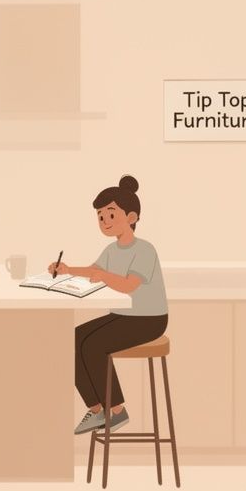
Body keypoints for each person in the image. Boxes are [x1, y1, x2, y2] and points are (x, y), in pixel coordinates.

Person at [47, 175, 169, 435]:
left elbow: (128, 285)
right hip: (124, 315)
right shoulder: (112, 250)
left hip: (149, 319)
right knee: (74, 339)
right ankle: (96, 409)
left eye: (111, 214)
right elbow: (94, 270)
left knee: (93, 346)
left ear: (131, 217)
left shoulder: (144, 250)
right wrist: (67, 269)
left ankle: (117, 409)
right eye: (100, 216)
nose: (104, 221)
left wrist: (103, 276)